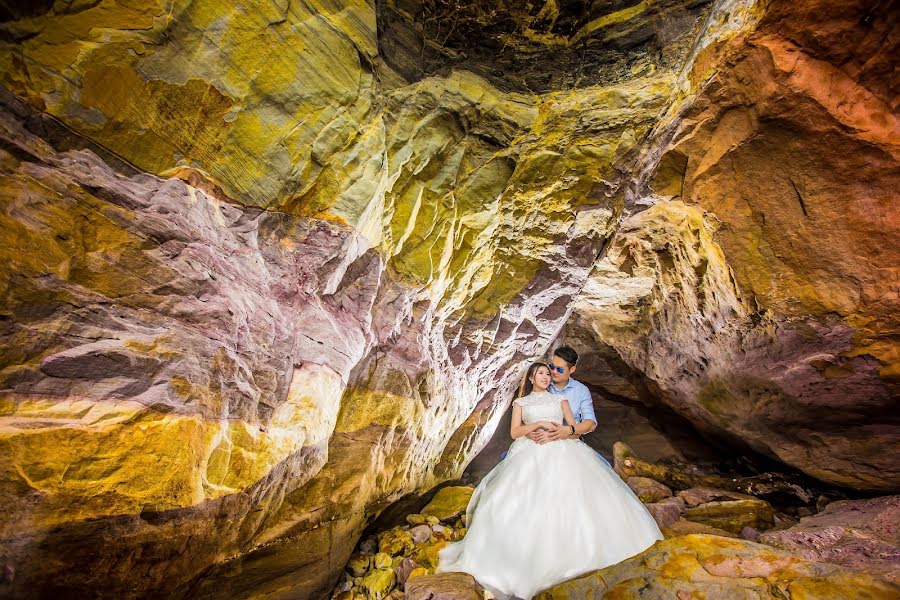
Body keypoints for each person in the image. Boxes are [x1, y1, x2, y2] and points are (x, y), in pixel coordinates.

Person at [436, 362, 663, 600]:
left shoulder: (560, 401)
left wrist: (561, 432)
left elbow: (573, 429)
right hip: (530, 450)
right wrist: (535, 426)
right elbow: (515, 432)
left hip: (562, 449)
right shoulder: (521, 403)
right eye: (541, 373)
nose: (546, 377)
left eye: (548, 373)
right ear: (532, 378)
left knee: (577, 499)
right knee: (517, 500)